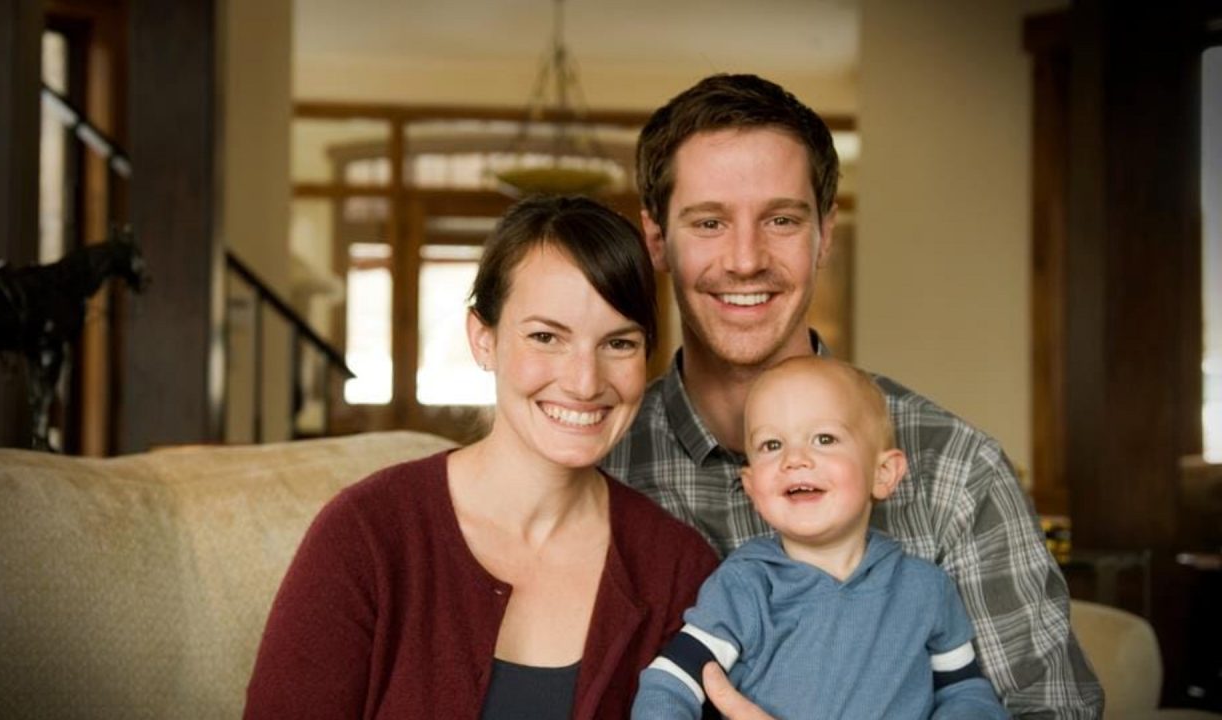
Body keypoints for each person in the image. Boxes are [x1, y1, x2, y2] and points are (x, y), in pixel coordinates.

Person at [601, 73, 1104, 717]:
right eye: (709, 222)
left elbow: (1051, 711)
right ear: (655, 240)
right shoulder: (604, 465)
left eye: (782, 219)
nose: (747, 258)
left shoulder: (954, 470)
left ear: (825, 233)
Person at [244, 195, 719, 719]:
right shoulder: (366, 536)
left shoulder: (678, 569)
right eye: (545, 336)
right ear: (483, 339)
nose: (585, 382)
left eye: (619, 344)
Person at [631, 356, 1008, 719]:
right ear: (751, 487)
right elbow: (671, 681)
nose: (795, 459)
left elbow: (964, 690)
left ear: (884, 473)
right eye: (772, 445)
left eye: (824, 438)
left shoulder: (926, 589)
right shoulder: (745, 586)